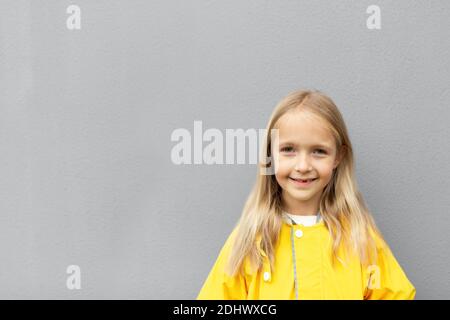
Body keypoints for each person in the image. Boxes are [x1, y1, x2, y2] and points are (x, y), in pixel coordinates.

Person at [197, 89, 416, 300]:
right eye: (288, 149)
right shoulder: (251, 240)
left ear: (338, 156)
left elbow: (396, 294)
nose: (303, 166)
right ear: (270, 154)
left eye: (319, 151)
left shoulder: (359, 238)